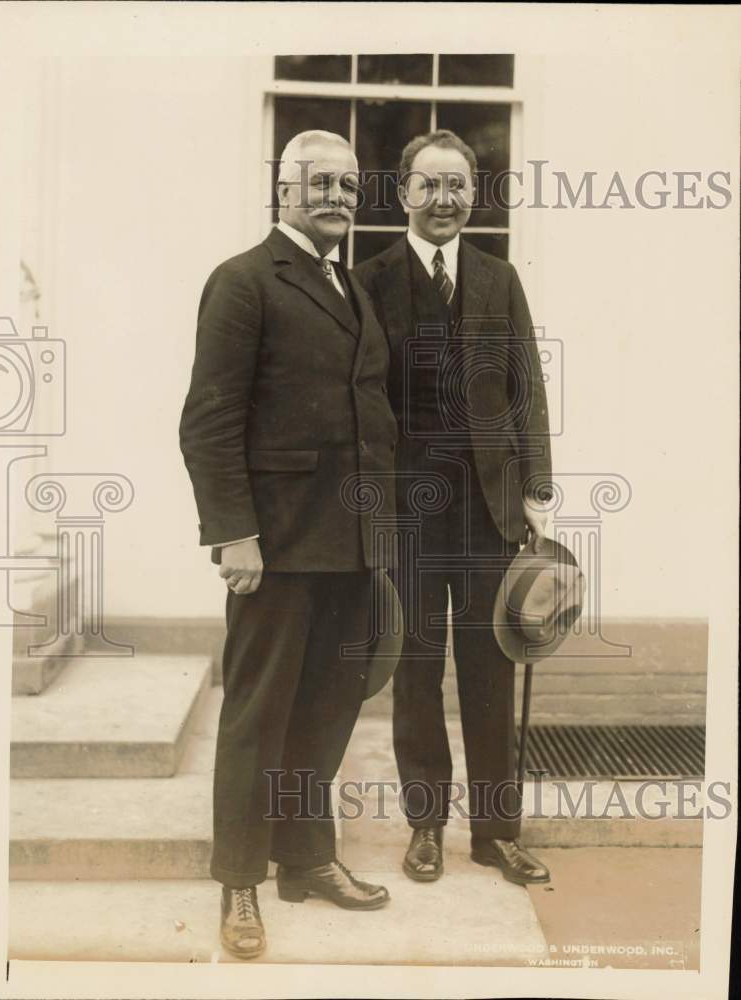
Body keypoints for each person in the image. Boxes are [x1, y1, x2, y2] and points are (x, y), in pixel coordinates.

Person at [180, 130, 398, 960]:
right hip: (273, 548)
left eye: (348, 185)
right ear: (284, 191)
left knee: (326, 713)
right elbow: (207, 422)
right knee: (257, 717)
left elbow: (365, 414)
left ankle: (306, 859)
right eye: (320, 185)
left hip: (352, 545)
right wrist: (234, 534)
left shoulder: (350, 285)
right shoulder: (243, 281)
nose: (337, 198)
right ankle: (240, 881)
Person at [354, 129, 553, 887]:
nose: (444, 199)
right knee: (415, 667)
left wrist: (536, 490)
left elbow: (526, 387)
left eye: (458, 185)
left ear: (475, 193)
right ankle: (425, 825)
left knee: (490, 669)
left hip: (488, 512)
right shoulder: (368, 281)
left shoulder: (498, 279)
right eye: (429, 185)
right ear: (403, 193)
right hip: (406, 514)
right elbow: (359, 400)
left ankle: (496, 834)